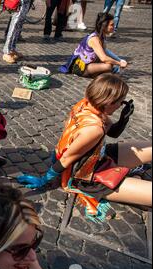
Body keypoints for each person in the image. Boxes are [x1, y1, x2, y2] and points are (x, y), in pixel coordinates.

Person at [17, 74, 152, 222]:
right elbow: (67, 158)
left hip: (100, 156)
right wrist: (44, 180)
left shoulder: (87, 104)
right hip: (89, 178)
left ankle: (133, 174)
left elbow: (112, 132)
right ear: (108, 102)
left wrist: (123, 119)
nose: (121, 105)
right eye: (120, 102)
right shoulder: (94, 129)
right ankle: (132, 176)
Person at [59, 12, 127, 77]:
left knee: (109, 65)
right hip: (80, 67)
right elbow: (104, 58)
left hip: (90, 63)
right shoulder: (94, 39)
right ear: (104, 26)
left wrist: (119, 60)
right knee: (108, 66)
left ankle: (99, 74)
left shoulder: (101, 35)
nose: (114, 27)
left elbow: (105, 50)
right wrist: (119, 63)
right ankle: (95, 74)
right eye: (112, 25)